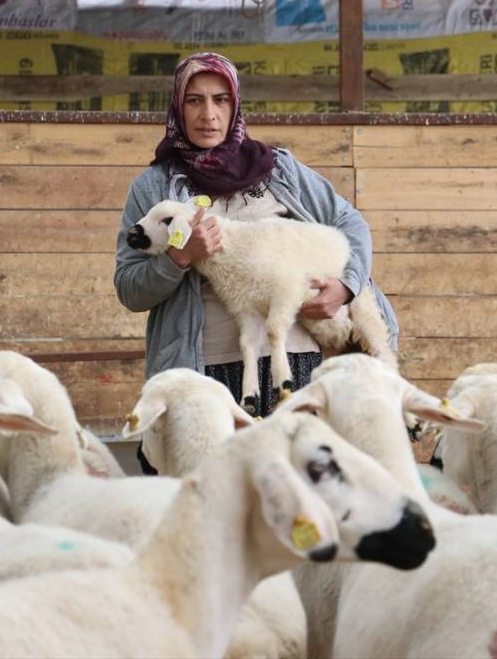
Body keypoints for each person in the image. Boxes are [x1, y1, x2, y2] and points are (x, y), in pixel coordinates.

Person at [114, 52, 398, 427]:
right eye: (194, 100)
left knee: (294, 480)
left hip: (297, 363)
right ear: (177, 107)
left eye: (221, 99)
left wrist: (346, 286)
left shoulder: (278, 171)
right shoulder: (154, 188)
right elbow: (129, 288)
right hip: (203, 370)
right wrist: (178, 258)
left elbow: (350, 223)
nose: (208, 115)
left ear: (235, 104)